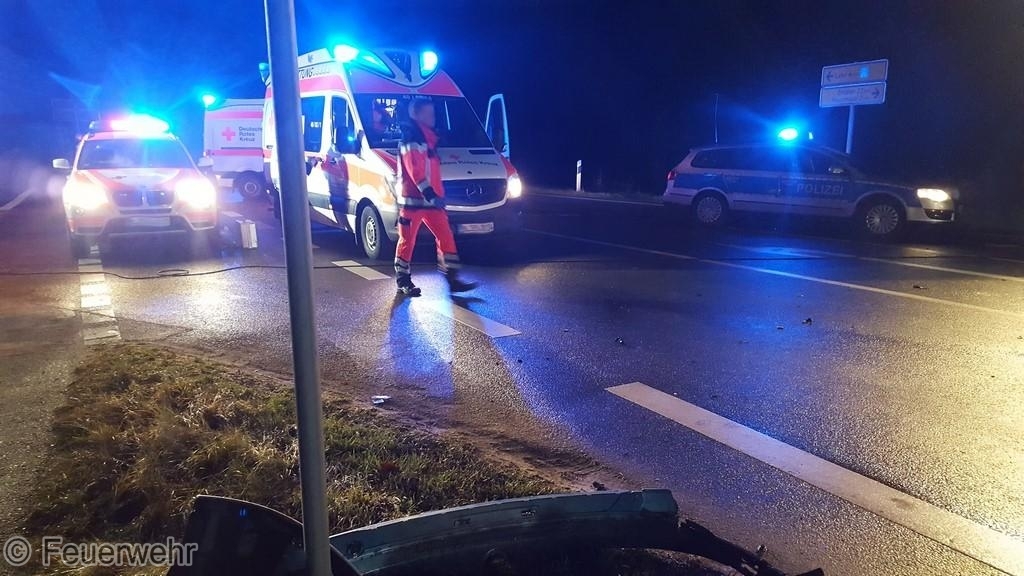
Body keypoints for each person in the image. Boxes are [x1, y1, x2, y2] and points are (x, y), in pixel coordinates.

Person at [394, 98, 477, 296]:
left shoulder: (427, 139)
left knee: (446, 237)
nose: (433, 117)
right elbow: (416, 172)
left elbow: (431, 172)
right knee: (407, 242)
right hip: (413, 202)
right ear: (417, 115)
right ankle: (403, 281)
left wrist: (437, 196)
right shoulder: (411, 140)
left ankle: (453, 279)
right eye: (429, 113)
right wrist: (432, 195)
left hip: (432, 202)